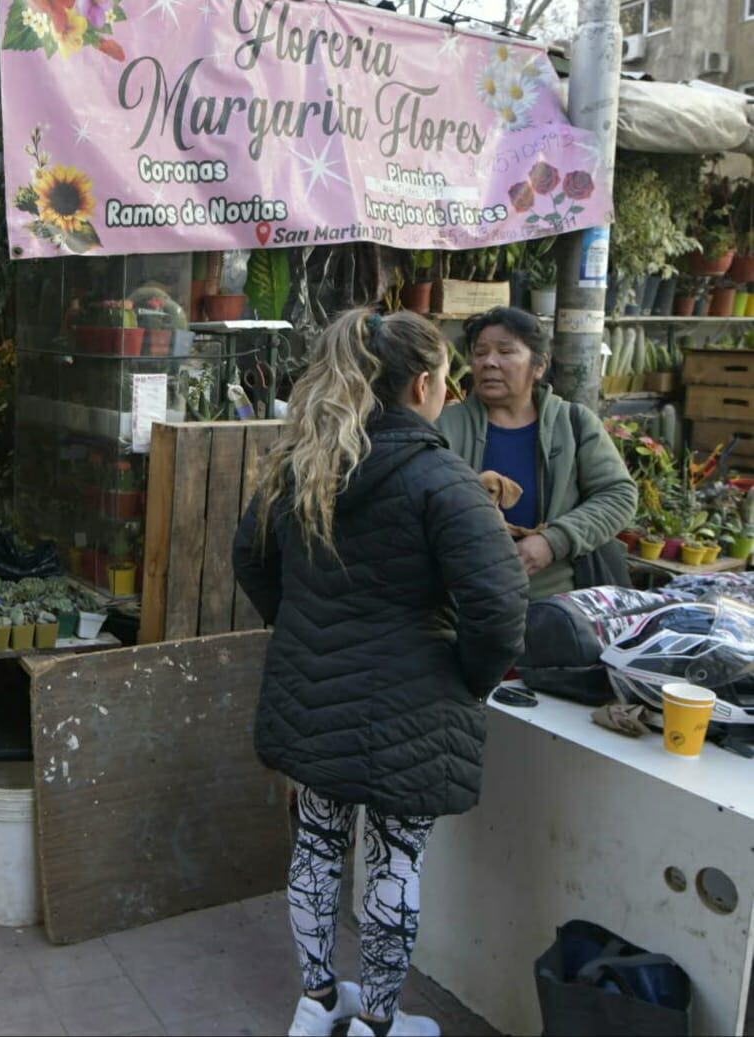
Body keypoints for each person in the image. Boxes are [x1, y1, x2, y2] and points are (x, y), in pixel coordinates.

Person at [232, 309, 527, 1037]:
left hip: (315, 695)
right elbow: (498, 603)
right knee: (395, 858)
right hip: (412, 709)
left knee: (318, 843)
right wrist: (469, 675)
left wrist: (305, 630)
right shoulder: (442, 478)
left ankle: (317, 1000)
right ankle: (377, 1023)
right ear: (424, 383)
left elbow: (250, 559)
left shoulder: (305, 462)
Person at [438, 307, 637, 599]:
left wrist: (553, 541)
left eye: (505, 352)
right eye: (480, 353)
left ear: (539, 366)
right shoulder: (444, 427)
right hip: (464, 603)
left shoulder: (573, 424)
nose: (489, 362)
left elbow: (619, 495)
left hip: (557, 602)